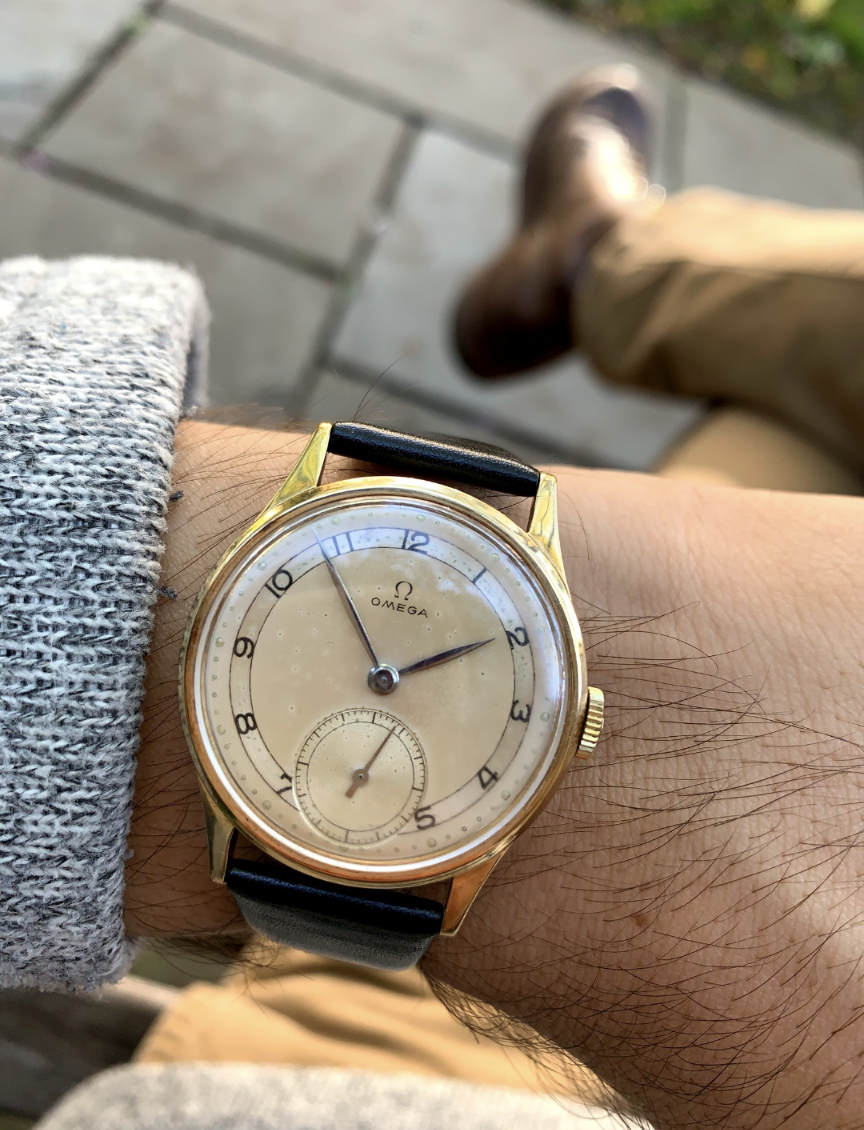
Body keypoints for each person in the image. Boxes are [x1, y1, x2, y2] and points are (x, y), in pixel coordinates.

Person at [5, 65, 864, 1130]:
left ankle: (611, 257)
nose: (385, 676)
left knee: (794, 437)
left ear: (579, 724)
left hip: (364, 1065)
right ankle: (608, 260)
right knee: (805, 426)